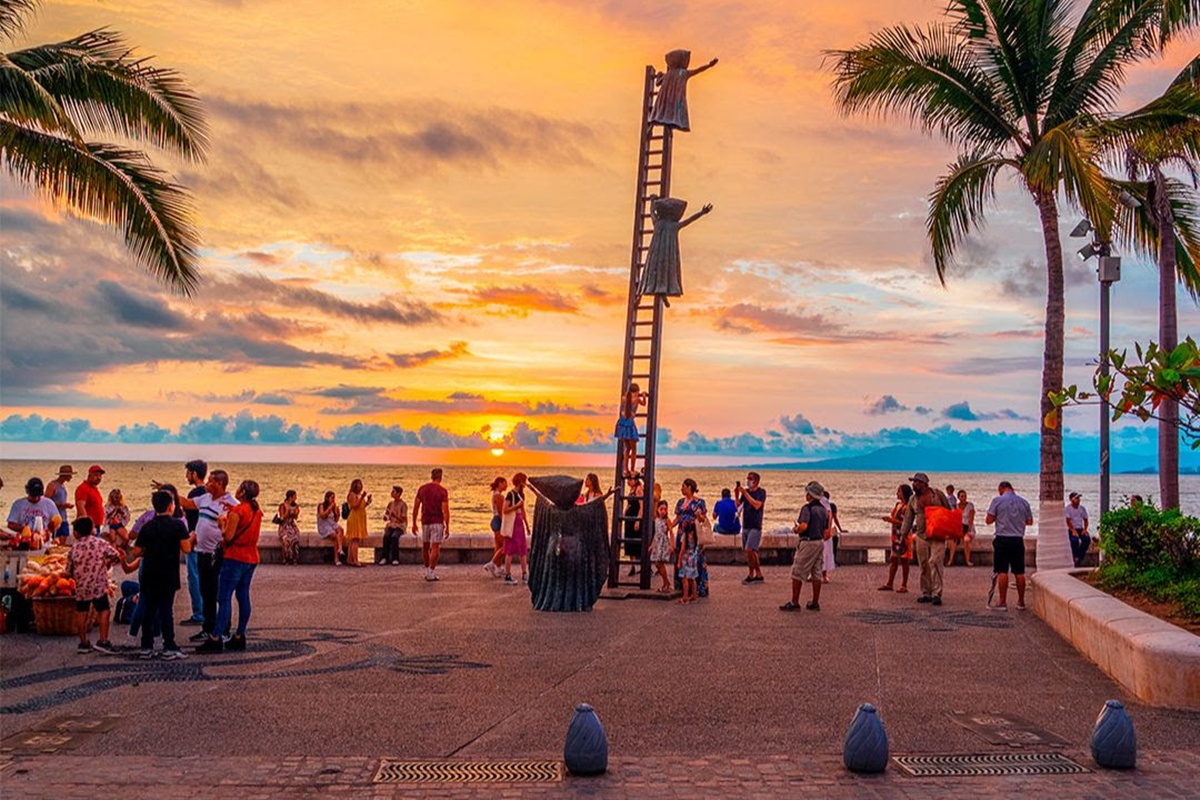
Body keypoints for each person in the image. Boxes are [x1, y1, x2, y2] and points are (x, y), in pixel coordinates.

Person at [198, 479, 262, 654]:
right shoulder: (256, 511)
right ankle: (240, 635)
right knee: (243, 596)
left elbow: (227, 536)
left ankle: (216, 637)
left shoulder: (238, 511)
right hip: (251, 557)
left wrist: (222, 524)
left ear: (242, 492)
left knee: (224, 597)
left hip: (234, 558)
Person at [173, 469, 235, 648]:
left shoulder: (230, 504)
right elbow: (187, 503)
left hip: (217, 555)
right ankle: (208, 627)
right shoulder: (205, 499)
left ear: (220, 484)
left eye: (211, 481)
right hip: (201, 552)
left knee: (219, 593)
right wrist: (171, 492)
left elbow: (231, 530)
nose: (207, 484)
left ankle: (223, 629)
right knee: (206, 591)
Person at [132, 490, 192, 660]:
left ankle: (146, 646)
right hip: (168, 573)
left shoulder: (147, 526)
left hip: (149, 572)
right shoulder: (178, 525)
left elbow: (136, 551)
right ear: (170, 506)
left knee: (149, 610)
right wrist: (192, 537)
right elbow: (186, 549)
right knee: (166, 610)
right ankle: (169, 646)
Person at [65, 517, 132, 655]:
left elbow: (68, 571)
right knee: (104, 610)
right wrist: (107, 562)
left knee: (81, 612)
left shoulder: (74, 548)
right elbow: (116, 555)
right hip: (98, 585)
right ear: (92, 530)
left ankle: (83, 643)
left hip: (81, 587)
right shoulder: (100, 543)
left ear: (76, 533)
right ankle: (103, 640)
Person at [636, 196, 714, 301]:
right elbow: (690, 220)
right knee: (664, 273)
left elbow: (652, 214)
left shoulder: (658, 223)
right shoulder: (673, 225)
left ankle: (649, 294)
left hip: (656, 255)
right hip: (666, 256)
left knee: (653, 273)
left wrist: (652, 202)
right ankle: (659, 293)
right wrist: (701, 213)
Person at [900, 472, 952, 606]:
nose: (914, 484)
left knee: (935, 562)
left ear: (924, 484)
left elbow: (948, 511)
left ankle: (937, 593)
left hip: (938, 535)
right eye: (913, 482)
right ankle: (926, 592)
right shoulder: (913, 499)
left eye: (917, 482)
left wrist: (950, 530)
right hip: (922, 535)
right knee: (923, 564)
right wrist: (903, 536)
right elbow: (908, 519)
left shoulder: (937, 495)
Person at [781, 481, 829, 611]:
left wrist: (796, 529)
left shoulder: (807, 509)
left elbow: (804, 526)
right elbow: (826, 530)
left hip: (808, 542)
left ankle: (794, 602)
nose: (806, 495)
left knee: (797, 572)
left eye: (807, 493)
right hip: (819, 542)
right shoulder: (823, 510)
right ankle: (815, 602)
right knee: (817, 572)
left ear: (810, 495)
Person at [986, 481, 1033, 611]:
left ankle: (1002, 602)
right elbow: (1029, 521)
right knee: (1019, 572)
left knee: (1002, 571)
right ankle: (1021, 602)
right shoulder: (1024, 502)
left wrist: (1001, 518)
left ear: (1001, 488)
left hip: (1002, 539)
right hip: (1017, 540)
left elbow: (988, 520)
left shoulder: (997, 501)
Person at [649, 49, 718, 131]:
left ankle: (666, 123)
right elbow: (697, 70)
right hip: (675, 100)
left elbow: (657, 83)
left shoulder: (669, 73)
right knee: (676, 111)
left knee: (669, 113)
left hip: (666, 101)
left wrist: (659, 75)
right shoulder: (682, 73)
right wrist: (709, 65)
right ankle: (671, 123)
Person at [180, 459, 208, 626]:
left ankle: (198, 613)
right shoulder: (207, 492)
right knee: (205, 578)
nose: (186, 476)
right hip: (205, 541)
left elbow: (189, 512)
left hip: (194, 540)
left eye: (188, 473)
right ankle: (206, 611)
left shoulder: (195, 494)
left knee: (195, 578)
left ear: (194, 474)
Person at [672, 479, 709, 597]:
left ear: (689, 487)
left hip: (693, 534)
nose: (681, 489)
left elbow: (703, 519)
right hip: (681, 533)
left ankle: (698, 588)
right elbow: (678, 518)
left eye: (683, 487)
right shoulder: (680, 502)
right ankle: (682, 586)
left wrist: (699, 516)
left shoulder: (699, 502)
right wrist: (669, 526)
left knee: (695, 559)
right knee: (681, 557)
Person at [412, 468, 450, 581]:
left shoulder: (422, 489)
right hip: (437, 521)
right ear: (440, 477)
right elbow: (445, 510)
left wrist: (414, 522)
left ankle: (427, 569)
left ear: (431, 476)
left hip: (425, 521)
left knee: (425, 546)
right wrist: (447, 525)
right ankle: (431, 572)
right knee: (435, 547)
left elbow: (416, 507)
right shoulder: (442, 491)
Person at [5, 477, 62, 548]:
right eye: (33, 495)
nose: (35, 498)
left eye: (38, 495)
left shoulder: (49, 503)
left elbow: (57, 522)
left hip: (44, 542)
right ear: (28, 492)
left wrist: (48, 531)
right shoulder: (18, 504)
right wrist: (25, 530)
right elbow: (11, 524)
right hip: (24, 542)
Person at [879, 484, 914, 593]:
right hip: (895, 536)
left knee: (904, 561)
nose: (897, 493)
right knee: (893, 559)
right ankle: (890, 583)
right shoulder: (898, 505)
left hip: (904, 536)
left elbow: (906, 523)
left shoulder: (907, 507)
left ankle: (904, 585)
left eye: (899, 491)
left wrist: (891, 520)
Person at [736, 473, 766, 584]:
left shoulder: (761, 493)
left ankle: (751, 574)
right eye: (747, 478)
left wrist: (745, 493)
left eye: (750, 479)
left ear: (756, 481)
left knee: (749, 549)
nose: (748, 481)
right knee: (751, 551)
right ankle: (758, 574)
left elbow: (757, 505)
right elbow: (739, 505)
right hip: (746, 525)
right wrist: (737, 494)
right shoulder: (746, 493)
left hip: (755, 525)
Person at [501, 473, 530, 585]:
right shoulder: (510, 494)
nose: (526, 483)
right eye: (524, 481)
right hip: (512, 524)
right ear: (520, 482)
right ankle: (508, 574)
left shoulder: (521, 495)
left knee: (523, 550)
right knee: (510, 550)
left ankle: (524, 573)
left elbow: (523, 511)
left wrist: (527, 525)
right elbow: (505, 510)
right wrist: (516, 506)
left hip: (519, 524)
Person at [614, 383, 647, 478]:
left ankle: (625, 469)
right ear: (636, 392)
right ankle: (632, 469)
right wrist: (644, 396)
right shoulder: (636, 399)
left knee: (627, 448)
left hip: (621, 424)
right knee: (634, 449)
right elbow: (644, 404)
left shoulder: (624, 398)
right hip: (629, 424)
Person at [44, 465, 76, 541]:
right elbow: (46, 502)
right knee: (55, 540)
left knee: (65, 539)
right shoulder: (52, 485)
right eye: (70, 475)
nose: (71, 477)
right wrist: (62, 505)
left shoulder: (62, 486)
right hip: (55, 519)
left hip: (63, 518)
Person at [344, 479, 371, 568]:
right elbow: (355, 506)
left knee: (354, 540)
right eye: (358, 484)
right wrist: (362, 497)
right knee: (355, 539)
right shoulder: (352, 495)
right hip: (354, 518)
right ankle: (355, 560)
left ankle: (350, 560)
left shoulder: (358, 495)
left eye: (361, 484)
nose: (360, 486)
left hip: (359, 517)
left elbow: (361, 506)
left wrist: (367, 502)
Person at [649, 499, 675, 592]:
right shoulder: (656, 520)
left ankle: (666, 583)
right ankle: (666, 582)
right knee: (657, 563)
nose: (663, 511)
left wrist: (672, 545)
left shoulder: (667, 520)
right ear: (657, 509)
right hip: (657, 542)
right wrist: (652, 545)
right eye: (661, 509)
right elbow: (656, 534)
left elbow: (671, 532)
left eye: (665, 509)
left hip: (663, 543)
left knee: (660, 563)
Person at [947, 489, 976, 567]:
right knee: (953, 541)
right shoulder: (956, 507)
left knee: (966, 540)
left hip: (968, 528)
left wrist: (968, 530)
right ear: (959, 498)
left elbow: (971, 519)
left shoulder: (970, 505)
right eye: (962, 496)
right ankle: (950, 560)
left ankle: (968, 561)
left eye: (965, 496)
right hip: (959, 528)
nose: (964, 498)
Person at [316, 491, 346, 565]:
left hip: (331, 524)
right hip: (324, 526)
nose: (333, 500)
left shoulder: (334, 507)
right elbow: (323, 516)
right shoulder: (322, 506)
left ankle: (340, 548)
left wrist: (338, 514)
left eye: (334, 498)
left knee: (341, 530)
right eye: (332, 498)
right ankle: (336, 558)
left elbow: (335, 520)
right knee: (335, 536)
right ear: (327, 498)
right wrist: (330, 508)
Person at [485, 477, 507, 578]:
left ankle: (498, 568)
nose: (506, 485)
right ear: (500, 483)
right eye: (505, 483)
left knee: (498, 546)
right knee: (506, 546)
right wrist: (505, 524)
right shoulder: (499, 496)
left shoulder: (495, 494)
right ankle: (492, 564)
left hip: (495, 520)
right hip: (498, 521)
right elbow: (501, 513)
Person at [623, 473, 644, 576]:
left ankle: (637, 565)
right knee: (629, 541)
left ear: (636, 480)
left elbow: (641, 506)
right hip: (629, 518)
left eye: (630, 479)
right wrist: (624, 513)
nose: (628, 481)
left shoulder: (638, 489)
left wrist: (638, 520)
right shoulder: (631, 490)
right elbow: (629, 504)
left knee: (635, 541)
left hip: (634, 517)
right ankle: (633, 565)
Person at [380, 485, 407, 565]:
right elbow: (387, 515)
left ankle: (395, 558)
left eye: (393, 492)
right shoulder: (390, 504)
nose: (392, 493)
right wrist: (386, 517)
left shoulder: (403, 505)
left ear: (398, 494)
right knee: (386, 536)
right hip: (391, 525)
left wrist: (395, 516)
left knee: (394, 537)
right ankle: (384, 557)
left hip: (399, 526)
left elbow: (403, 519)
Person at [74, 465, 106, 530]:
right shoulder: (83, 488)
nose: (99, 478)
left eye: (100, 476)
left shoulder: (94, 489)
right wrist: (88, 525)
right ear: (89, 476)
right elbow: (81, 506)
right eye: (96, 475)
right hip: (88, 527)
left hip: (96, 525)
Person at [676, 522, 700, 604]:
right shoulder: (695, 537)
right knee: (692, 578)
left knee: (684, 578)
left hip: (685, 558)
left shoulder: (685, 536)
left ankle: (685, 597)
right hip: (693, 559)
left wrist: (679, 560)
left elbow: (682, 549)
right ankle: (694, 595)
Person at [822, 490, 843, 583]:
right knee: (826, 554)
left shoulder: (824, 507)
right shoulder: (831, 506)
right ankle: (824, 575)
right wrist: (840, 529)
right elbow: (835, 519)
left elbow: (833, 518)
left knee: (824, 554)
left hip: (825, 533)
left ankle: (822, 575)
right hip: (828, 533)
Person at [1066, 491, 1091, 568]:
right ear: (1071, 499)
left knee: (1087, 540)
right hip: (1071, 529)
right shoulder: (1068, 509)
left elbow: (1086, 519)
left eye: (1078, 498)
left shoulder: (1082, 509)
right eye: (1076, 498)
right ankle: (1074, 558)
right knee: (1074, 541)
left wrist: (1085, 529)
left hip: (1080, 528)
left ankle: (1079, 557)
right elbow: (1067, 520)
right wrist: (1073, 530)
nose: (1078, 500)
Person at [276, 489, 301, 565]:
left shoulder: (296, 506)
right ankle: (286, 558)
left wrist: (296, 512)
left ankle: (294, 558)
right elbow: (282, 517)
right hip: (284, 526)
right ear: (290, 497)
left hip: (291, 525)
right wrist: (287, 510)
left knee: (295, 538)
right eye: (294, 496)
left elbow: (296, 517)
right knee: (286, 540)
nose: (296, 498)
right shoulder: (282, 505)